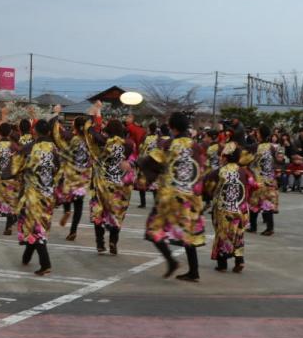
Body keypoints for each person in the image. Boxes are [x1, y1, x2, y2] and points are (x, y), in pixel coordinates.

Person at [142, 111, 206, 281]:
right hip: (190, 196)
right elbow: (201, 170)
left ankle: (171, 260)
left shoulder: (169, 144)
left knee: (154, 229)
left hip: (170, 197)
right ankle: (194, 271)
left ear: (171, 127)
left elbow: (151, 161)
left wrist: (134, 164)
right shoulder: (196, 146)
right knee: (187, 232)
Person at [15, 118, 61, 276]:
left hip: (33, 194)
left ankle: (45, 263)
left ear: (35, 131)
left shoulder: (30, 148)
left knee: (36, 227)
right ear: (48, 132)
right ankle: (26, 256)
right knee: (37, 224)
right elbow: (58, 168)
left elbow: (16, 166)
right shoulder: (54, 148)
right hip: (48, 193)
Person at [86, 104, 134, 255]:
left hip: (102, 184)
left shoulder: (105, 143)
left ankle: (100, 243)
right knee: (116, 213)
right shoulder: (128, 144)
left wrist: (91, 123)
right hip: (119, 184)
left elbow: (94, 136)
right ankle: (113, 241)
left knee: (98, 213)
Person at [205, 142, 257, 272]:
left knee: (222, 234)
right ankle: (239, 260)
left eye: (222, 156)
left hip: (224, 210)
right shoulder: (244, 171)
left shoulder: (219, 171)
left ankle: (222, 264)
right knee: (238, 234)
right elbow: (253, 185)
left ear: (226, 157)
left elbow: (208, 186)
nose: (220, 158)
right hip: (241, 208)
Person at [54, 111, 93, 242]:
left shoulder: (74, 139)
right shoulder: (89, 140)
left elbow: (66, 154)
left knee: (66, 196)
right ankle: (73, 230)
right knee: (79, 204)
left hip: (71, 174)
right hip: (83, 176)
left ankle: (66, 211)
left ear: (75, 126)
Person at [247, 127, 283, 236]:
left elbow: (249, 160)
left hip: (259, 179)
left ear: (260, 135)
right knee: (267, 203)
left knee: (254, 203)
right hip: (270, 178)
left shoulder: (257, 147)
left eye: (257, 133)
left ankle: (253, 227)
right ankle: (269, 228)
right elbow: (279, 160)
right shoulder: (272, 147)